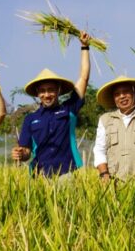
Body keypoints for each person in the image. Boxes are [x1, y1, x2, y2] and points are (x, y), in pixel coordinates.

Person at [12, 33, 92, 178]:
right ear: (37, 93)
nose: (47, 94)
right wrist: (21, 154)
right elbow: (26, 151)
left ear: (58, 91)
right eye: (42, 91)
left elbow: (84, 77)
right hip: (39, 174)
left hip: (67, 172)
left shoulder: (69, 109)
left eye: (51, 90)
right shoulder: (30, 119)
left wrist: (84, 47)